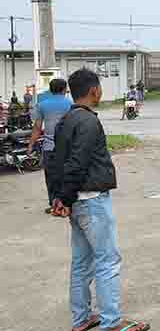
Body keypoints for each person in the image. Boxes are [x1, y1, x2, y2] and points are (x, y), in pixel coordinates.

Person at [49, 68, 150, 331]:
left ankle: (82, 318)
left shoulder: (66, 120)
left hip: (76, 201)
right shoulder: (88, 122)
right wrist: (64, 197)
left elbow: (56, 162)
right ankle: (111, 322)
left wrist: (60, 197)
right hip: (91, 200)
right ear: (94, 91)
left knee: (82, 262)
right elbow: (77, 163)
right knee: (107, 261)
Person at [28, 78, 72, 214]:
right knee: (67, 176)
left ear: (51, 90)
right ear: (64, 89)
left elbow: (37, 128)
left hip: (49, 147)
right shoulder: (70, 104)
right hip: (67, 147)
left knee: (51, 177)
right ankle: (67, 204)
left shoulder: (42, 105)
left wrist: (30, 145)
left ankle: (54, 205)